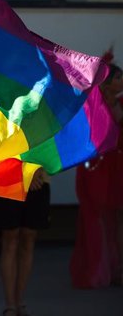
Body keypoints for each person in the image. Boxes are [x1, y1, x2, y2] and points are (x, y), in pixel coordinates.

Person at [70, 61, 123, 289]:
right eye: (119, 78)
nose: (122, 82)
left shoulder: (120, 102)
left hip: (117, 165)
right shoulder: (92, 102)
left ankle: (116, 268)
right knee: (95, 216)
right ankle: (95, 269)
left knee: (116, 218)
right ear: (108, 82)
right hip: (96, 166)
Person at [0, 168, 50, 316]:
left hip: (38, 178)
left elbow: (49, 144)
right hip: (9, 178)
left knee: (28, 238)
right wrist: (22, 173)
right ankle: (10, 304)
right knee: (10, 238)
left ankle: (20, 301)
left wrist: (35, 171)